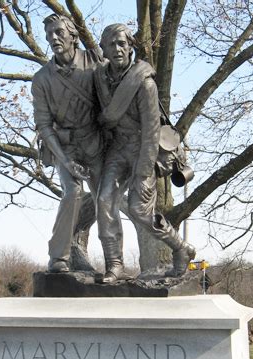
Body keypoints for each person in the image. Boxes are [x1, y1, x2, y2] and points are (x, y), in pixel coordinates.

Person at [94, 24, 195, 283]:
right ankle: (114, 264)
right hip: (117, 149)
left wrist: (141, 172)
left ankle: (181, 249)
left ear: (130, 47)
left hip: (142, 150)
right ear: (103, 50)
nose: (117, 49)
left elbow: (151, 131)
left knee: (140, 211)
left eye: (122, 43)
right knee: (104, 201)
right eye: (111, 44)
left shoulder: (144, 83)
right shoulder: (100, 78)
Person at [31, 14, 102, 273]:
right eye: (49, 34)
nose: (53, 38)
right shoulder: (41, 79)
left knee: (105, 198)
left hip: (96, 142)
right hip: (64, 146)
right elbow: (44, 125)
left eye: (59, 32)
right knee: (72, 192)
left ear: (73, 35)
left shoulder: (95, 60)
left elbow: (121, 84)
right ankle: (58, 256)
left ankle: (114, 262)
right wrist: (65, 160)